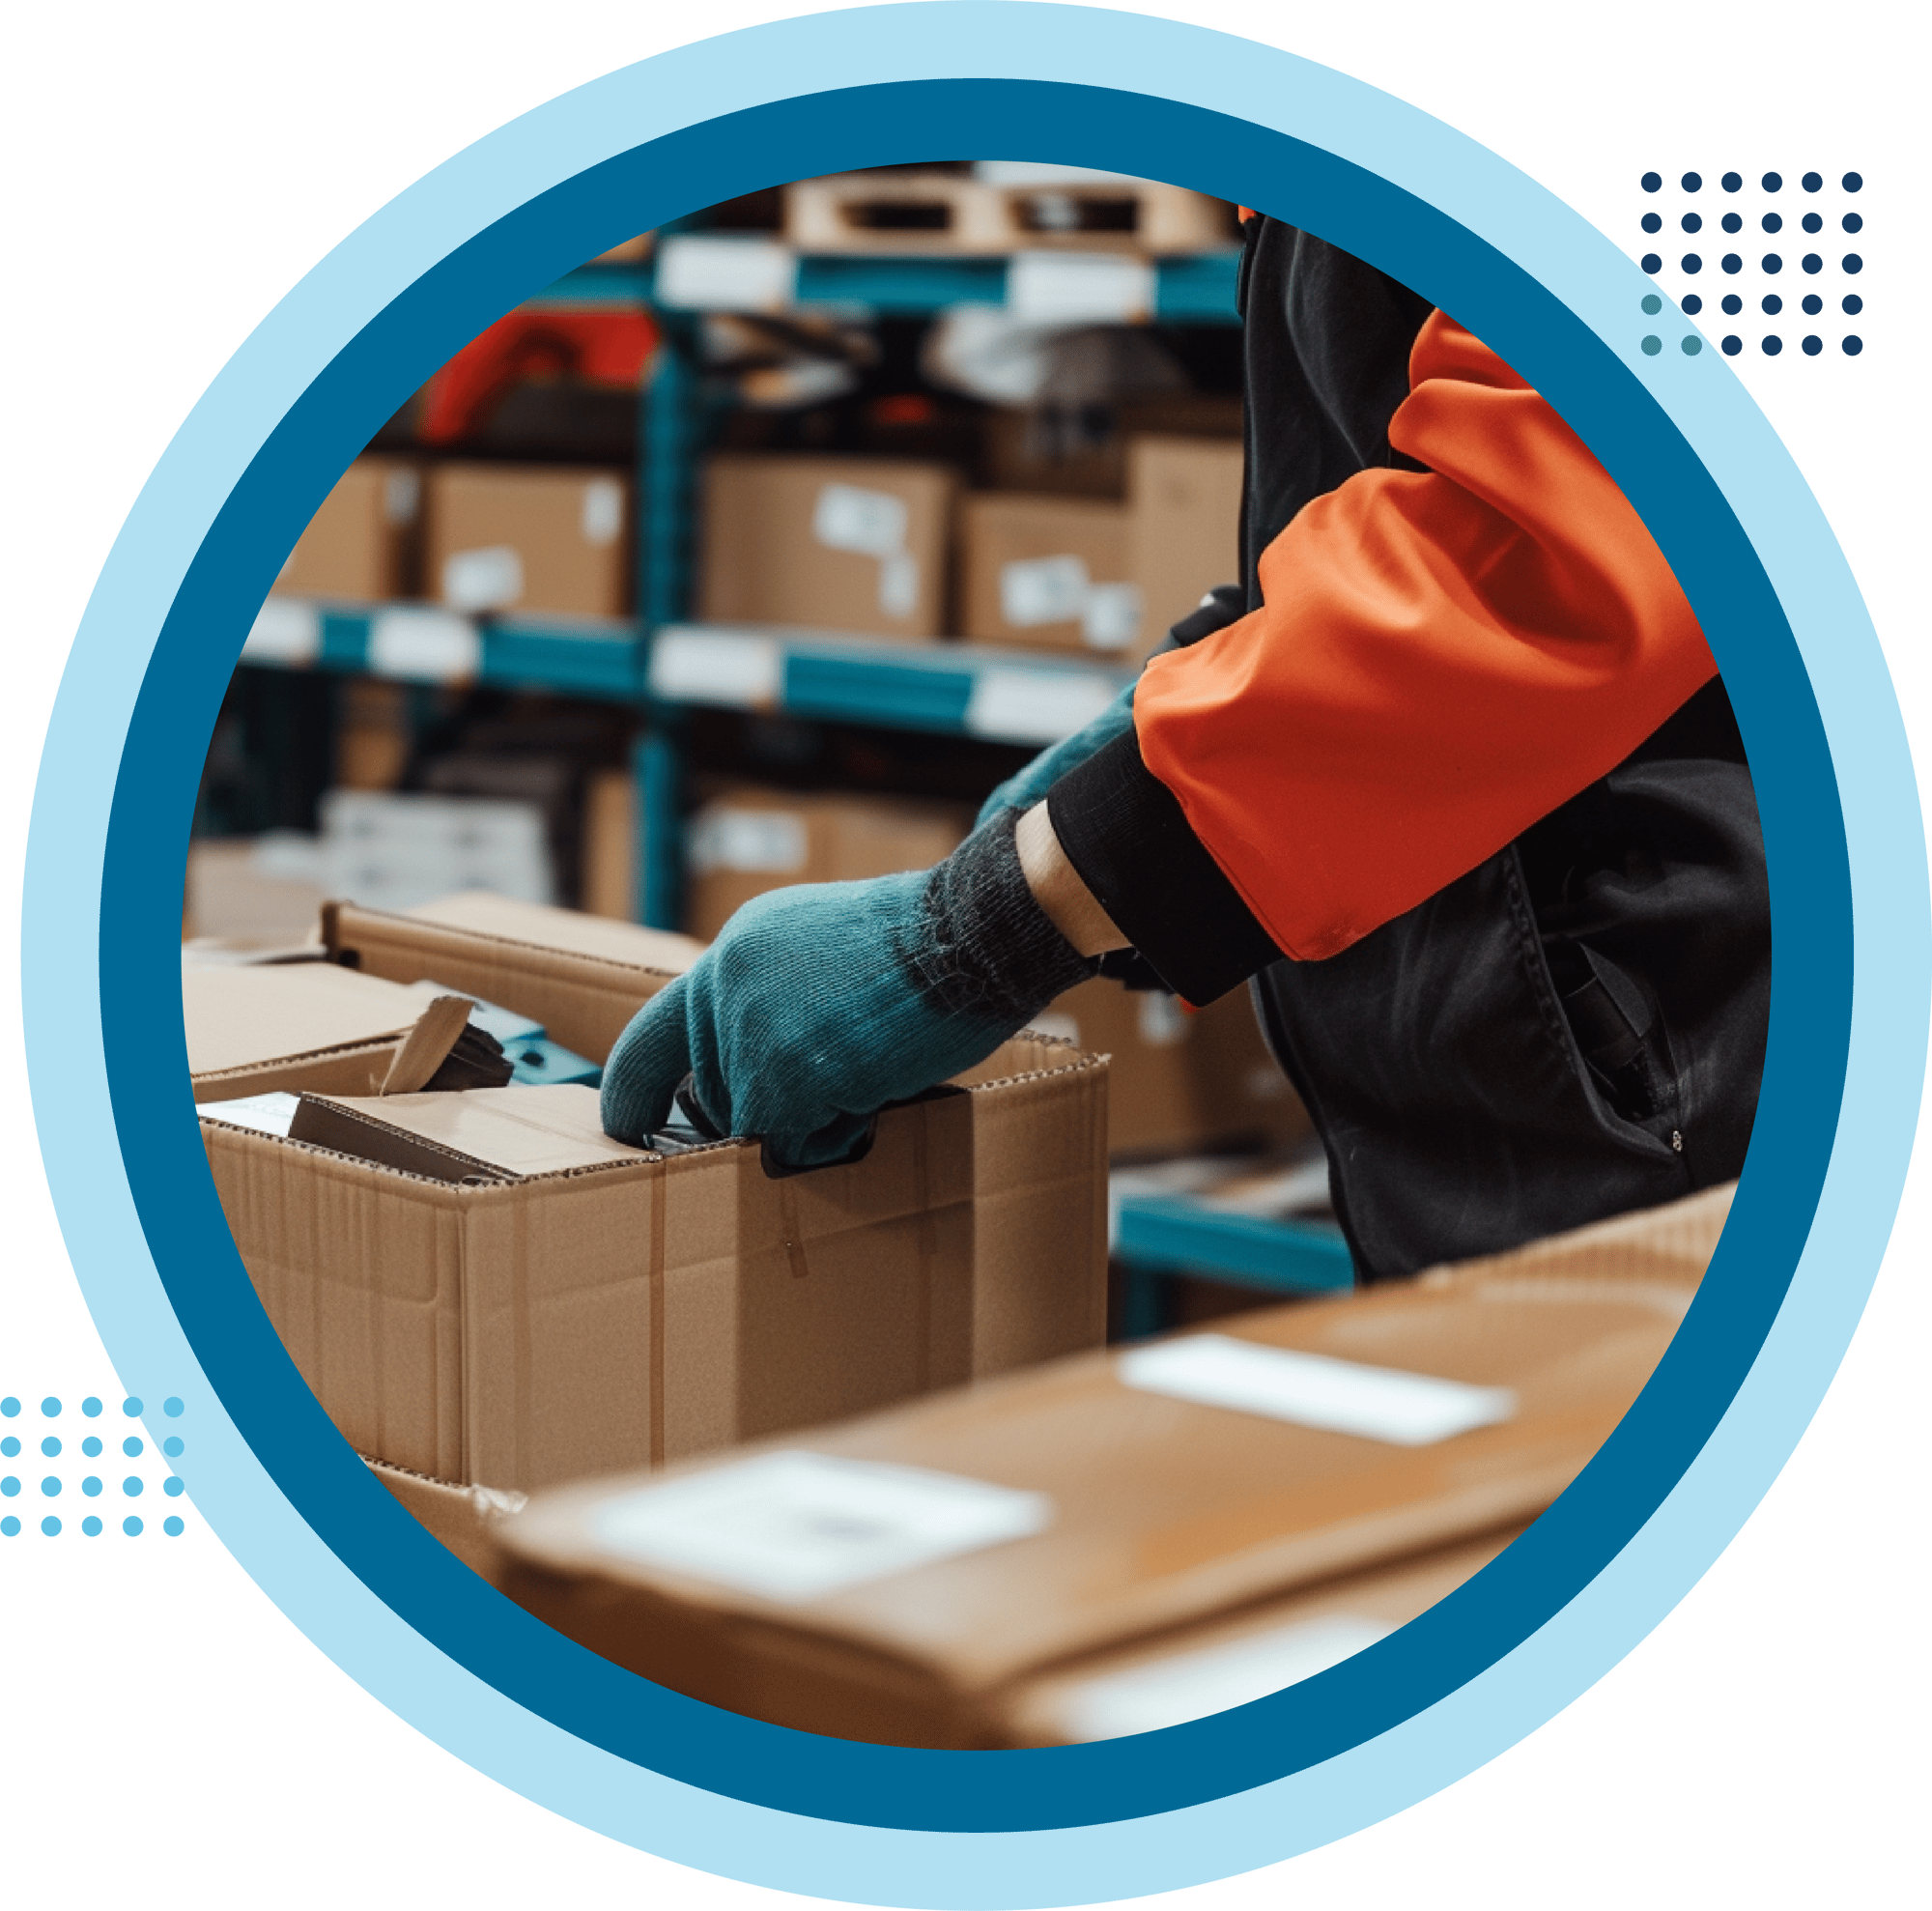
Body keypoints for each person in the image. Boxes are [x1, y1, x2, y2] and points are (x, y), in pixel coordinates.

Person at [601, 214, 1769, 1283]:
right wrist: (1132, 754)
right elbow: (1384, 487)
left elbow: (1566, 521)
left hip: (1687, 1024)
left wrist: (979, 932)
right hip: (1536, 1023)